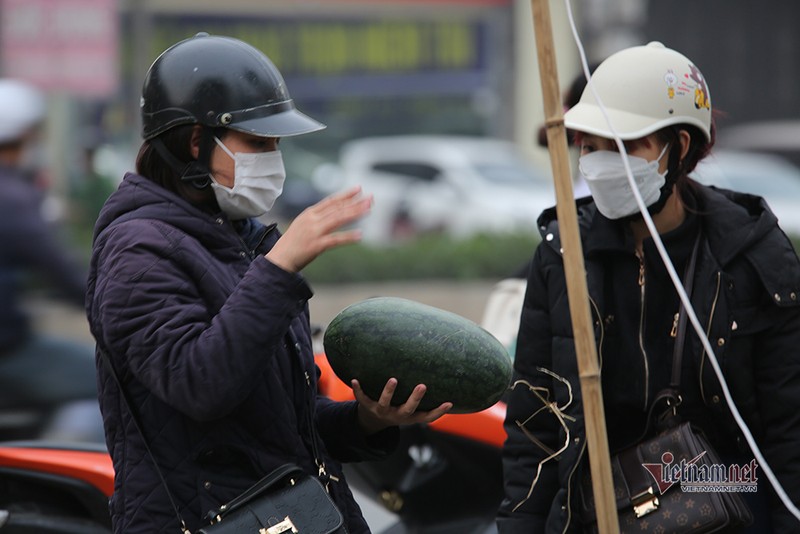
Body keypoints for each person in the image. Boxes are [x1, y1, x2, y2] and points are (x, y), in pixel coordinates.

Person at [85, 33, 452, 534]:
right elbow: (200, 384)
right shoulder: (137, 253)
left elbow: (283, 426)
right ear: (196, 142)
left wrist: (369, 421)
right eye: (258, 143)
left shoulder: (241, 239)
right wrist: (279, 270)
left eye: (277, 144)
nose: (272, 159)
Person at [497, 41, 800, 533]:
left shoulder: (754, 254)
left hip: (729, 510)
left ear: (678, 148)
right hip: (595, 513)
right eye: (588, 147)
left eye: (621, 146)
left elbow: (790, 429)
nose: (598, 163)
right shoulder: (562, 255)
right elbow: (532, 431)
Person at [0, 78, 102, 442]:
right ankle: (56, 480)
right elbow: (64, 273)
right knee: (106, 377)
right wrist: (112, 304)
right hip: (9, 351)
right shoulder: (12, 199)